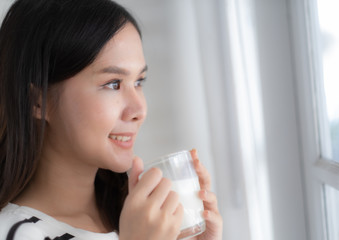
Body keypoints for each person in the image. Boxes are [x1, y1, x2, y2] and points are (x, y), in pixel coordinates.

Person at [0, 0, 223, 239]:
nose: (139, 109)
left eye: (139, 81)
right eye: (113, 84)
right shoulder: (17, 232)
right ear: (38, 102)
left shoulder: (140, 220)